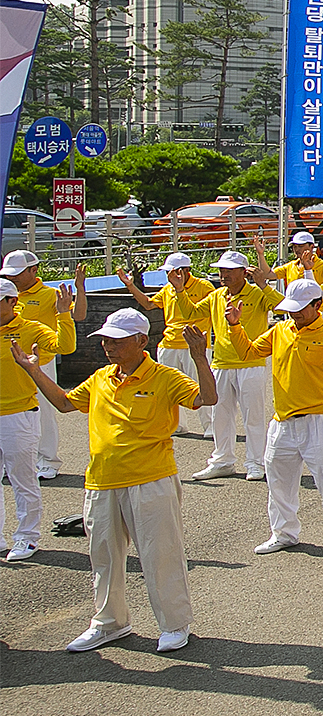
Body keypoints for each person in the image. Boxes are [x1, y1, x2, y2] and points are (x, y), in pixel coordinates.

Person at [13, 307, 214, 652]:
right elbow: (63, 404)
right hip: (101, 482)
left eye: (116, 340)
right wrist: (33, 371)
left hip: (151, 480)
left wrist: (199, 357)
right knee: (103, 558)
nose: (107, 345)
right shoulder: (101, 377)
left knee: (160, 554)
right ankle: (110, 623)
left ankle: (175, 624)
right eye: (105, 339)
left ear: (140, 341)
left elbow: (207, 398)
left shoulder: (165, 377)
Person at [231, 280, 323, 556]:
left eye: (301, 309)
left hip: (321, 420)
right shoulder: (280, 330)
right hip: (282, 421)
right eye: (291, 309)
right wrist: (235, 327)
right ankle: (283, 533)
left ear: (318, 305)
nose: (294, 314)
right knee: (278, 482)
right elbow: (248, 352)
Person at [0, 275, 76, 560]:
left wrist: (64, 313)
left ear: (12, 302)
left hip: (18, 414)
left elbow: (65, 347)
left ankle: (27, 537)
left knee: (22, 479)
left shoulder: (30, 329)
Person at [191, 250, 280, 481]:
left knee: (253, 416)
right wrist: (180, 290)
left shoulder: (257, 293)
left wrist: (264, 285)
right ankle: (222, 461)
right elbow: (189, 312)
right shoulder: (216, 296)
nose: (224, 275)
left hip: (251, 362)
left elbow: (283, 308)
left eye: (229, 270)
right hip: (221, 363)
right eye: (221, 270)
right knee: (219, 414)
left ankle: (255, 462)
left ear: (244, 272)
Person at [2, 253, 82, 482]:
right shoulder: (5, 292)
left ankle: (47, 460)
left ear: (34, 270)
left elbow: (78, 315)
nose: (12, 278)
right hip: (8, 365)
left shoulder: (50, 294)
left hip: (40, 364)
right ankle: (13, 462)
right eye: (9, 274)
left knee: (43, 414)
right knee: (11, 417)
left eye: (16, 273)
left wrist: (79, 291)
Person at [118, 253, 214, 435]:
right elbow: (148, 304)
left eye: (172, 271)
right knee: (168, 387)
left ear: (185, 271)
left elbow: (209, 310)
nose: (169, 276)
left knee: (203, 384)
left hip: (194, 345)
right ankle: (176, 425)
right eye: (168, 272)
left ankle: (210, 426)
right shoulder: (167, 289)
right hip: (169, 344)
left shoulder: (204, 287)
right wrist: (130, 286)